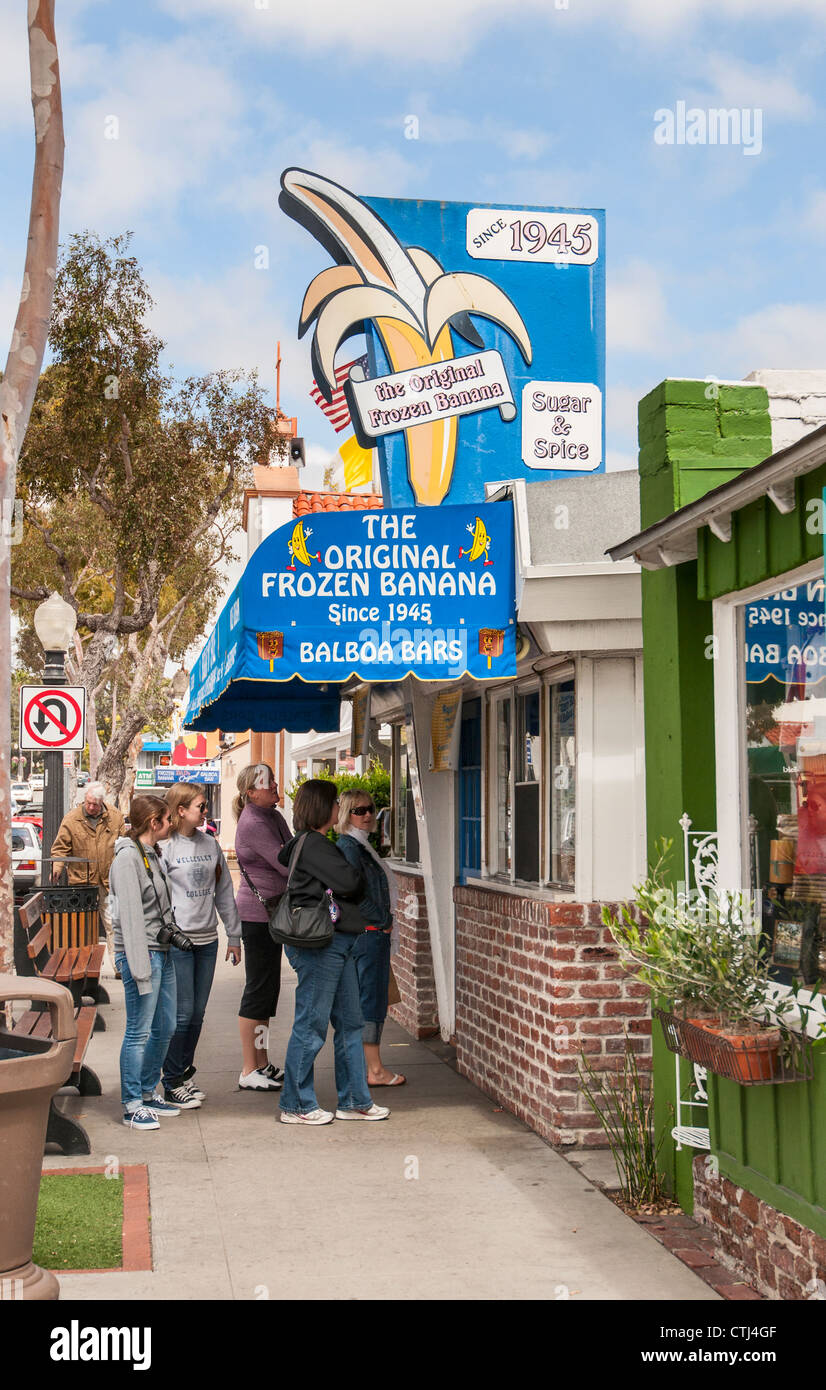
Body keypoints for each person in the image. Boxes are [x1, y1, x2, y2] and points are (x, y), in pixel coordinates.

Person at [278, 779, 390, 1126]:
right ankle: (296, 1104)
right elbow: (351, 883)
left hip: (336, 942)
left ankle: (355, 1100)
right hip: (320, 946)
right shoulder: (314, 845)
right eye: (334, 803)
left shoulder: (314, 844)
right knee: (311, 1025)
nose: (337, 808)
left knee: (351, 1023)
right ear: (322, 808)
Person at [159, 782, 242, 1109]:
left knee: (197, 1015)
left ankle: (182, 1073)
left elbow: (223, 891)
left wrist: (233, 935)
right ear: (181, 810)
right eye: (200, 806)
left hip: (208, 940)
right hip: (179, 941)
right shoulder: (165, 847)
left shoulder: (210, 844)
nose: (206, 811)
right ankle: (171, 1081)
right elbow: (156, 895)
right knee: (181, 1014)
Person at [109, 795, 182, 1131]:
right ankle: (132, 1103)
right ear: (154, 822)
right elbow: (131, 919)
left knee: (165, 1026)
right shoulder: (127, 859)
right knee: (138, 1030)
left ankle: (148, 1091)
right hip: (141, 954)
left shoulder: (151, 854)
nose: (171, 824)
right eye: (168, 819)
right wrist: (139, 971)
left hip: (160, 952)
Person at [337, 790, 405, 1087]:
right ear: (346, 814)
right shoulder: (351, 847)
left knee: (373, 999)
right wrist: (381, 920)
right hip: (369, 934)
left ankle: (371, 1067)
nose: (366, 814)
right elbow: (353, 892)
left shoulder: (362, 845)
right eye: (358, 810)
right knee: (371, 1001)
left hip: (372, 933)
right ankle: (374, 1070)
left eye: (370, 809)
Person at [234, 764, 292, 1091]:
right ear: (250, 791)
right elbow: (285, 861)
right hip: (258, 915)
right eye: (266, 782)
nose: (273, 785)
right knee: (258, 989)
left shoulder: (273, 815)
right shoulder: (255, 821)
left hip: (274, 914)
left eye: (272, 779)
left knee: (268, 992)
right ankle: (248, 1068)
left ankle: (262, 1062)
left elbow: (292, 849)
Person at [51, 782, 126, 964]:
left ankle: (118, 964)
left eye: (95, 804)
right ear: (85, 799)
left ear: (102, 802)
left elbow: (124, 845)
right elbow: (60, 848)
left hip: (109, 881)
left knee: (113, 924)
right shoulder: (71, 819)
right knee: (83, 926)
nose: (91, 807)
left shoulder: (115, 817)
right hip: (82, 883)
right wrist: (57, 867)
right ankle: (84, 963)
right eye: (88, 803)